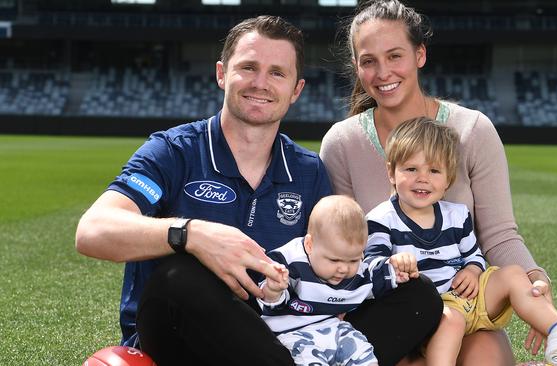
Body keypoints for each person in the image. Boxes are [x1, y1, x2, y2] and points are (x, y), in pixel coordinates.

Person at [75, 15, 440, 366]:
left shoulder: (308, 171)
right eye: (248, 67)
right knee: (179, 277)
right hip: (184, 338)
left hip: (282, 337)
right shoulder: (174, 151)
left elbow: (335, 268)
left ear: (296, 90)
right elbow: (92, 231)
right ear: (222, 73)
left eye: (277, 73)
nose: (260, 83)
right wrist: (191, 234)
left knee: (418, 294)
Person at [319, 0, 554, 364]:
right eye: (369, 61)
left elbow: (499, 235)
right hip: (386, 310)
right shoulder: (342, 142)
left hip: (460, 307)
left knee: (483, 358)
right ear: (357, 67)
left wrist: (536, 282)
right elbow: (339, 247)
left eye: (395, 55)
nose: (383, 72)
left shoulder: (472, 130)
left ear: (420, 54)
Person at [364, 117, 557, 366]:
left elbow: (474, 254)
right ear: (391, 172)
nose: (423, 178)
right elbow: (371, 265)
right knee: (451, 320)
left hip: (468, 297)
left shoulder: (457, 214)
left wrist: (473, 270)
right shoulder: (381, 219)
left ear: (448, 179)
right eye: (411, 169)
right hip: (433, 312)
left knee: (512, 274)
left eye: (434, 170)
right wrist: (394, 264)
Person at [258, 195, 419, 366]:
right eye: (334, 260)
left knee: (363, 354)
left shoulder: (357, 271)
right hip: (294, 333)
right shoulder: (290, 263)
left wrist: (397, 269)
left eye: (353, 260)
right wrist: (274, 290)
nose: (343, 269)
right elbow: (268, 301)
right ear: (309, 245)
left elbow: (375, 275)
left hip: (335, 327)